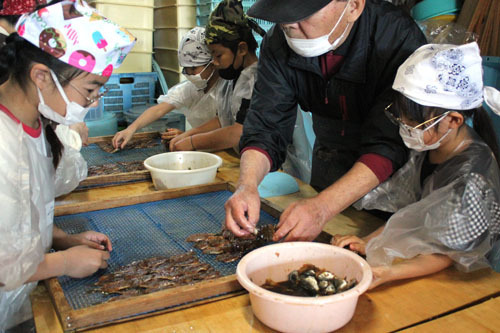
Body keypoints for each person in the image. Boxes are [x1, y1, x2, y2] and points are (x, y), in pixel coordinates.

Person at [224, 0, 427, 241]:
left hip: (393, 177)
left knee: (378, 250)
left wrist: (322, 207)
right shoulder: (279, 40)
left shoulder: (395, 36)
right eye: (281, 15)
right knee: (324, 242)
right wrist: (247, 185)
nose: (288, 23)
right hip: (330, 153)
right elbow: (266, 124)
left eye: (302, 13)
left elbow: (389, 141)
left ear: (353, 6)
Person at [0, 1, 135, 330]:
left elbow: (22, 221)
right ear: (41, 76)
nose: (93, 102)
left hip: (25, 296)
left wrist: (62, 239)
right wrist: (62, 262)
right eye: (90, 90)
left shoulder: (35, 124)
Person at [332, 42, 500, 289]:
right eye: (402, 116)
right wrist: (368, 241)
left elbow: (447, 254)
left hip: (466, 280)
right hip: (427, 265)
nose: (405, 126)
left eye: (414, 121)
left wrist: (386, 273)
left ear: (453, 120)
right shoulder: (430, 145)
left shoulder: (471, 180)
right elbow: (414, 215)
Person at [169, 0, 265, 152]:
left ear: (242, 49)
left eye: (218, 55)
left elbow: (239, 132)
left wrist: (194, 142)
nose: (215, 62)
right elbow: (224, 118)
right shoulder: (236, 76)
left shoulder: (258, 81)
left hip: (274, 166)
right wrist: (189, 134)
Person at [112, 27, 221, 150]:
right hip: (203, 147)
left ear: (212, 63)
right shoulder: (192, 89)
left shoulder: (225, 89)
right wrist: (131, 129)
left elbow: (222, 121)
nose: (189, 74)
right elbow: (159, 110)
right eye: (185, 69)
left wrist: (189, 135)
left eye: (193, 69)